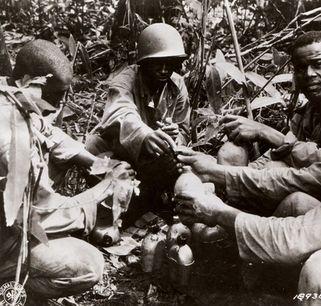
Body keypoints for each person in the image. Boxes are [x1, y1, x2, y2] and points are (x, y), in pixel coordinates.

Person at [176, 77, 321, 305]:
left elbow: (294, 240)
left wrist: (219, 213)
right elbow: (293, 180)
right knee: (298, 202)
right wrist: (216, 172)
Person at [0, 39, 134, 299]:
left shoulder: (12, 92)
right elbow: (38, 217)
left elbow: (51, 133)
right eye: (53, 97)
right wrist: (100, 193)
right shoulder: (12, 142)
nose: (57, 107)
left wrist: (101, 165)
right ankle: (10, 284)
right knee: (87, 265)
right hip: (13, 229)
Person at [86, 23, 191, 215]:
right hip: (122, 153)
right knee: (92, 148)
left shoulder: (177, 86)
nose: (164, 69)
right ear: (143, 62)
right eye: (157, 63)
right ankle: (112, 207)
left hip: (155, 159)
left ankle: (153, 200)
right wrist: (145, 135)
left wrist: (174, 136)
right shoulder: (124, 82)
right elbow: (120, 111)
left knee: (183, 168)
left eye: (170, 62)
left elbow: (184, 128)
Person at [220, 31, 321, 169]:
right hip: (309, 176)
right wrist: (244, 172)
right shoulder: (309, 107)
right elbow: (280, 153)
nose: (309, 74)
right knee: (232, 152)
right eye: (301, 68)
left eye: (318, 64)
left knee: (273, 169)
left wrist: (265, 132)